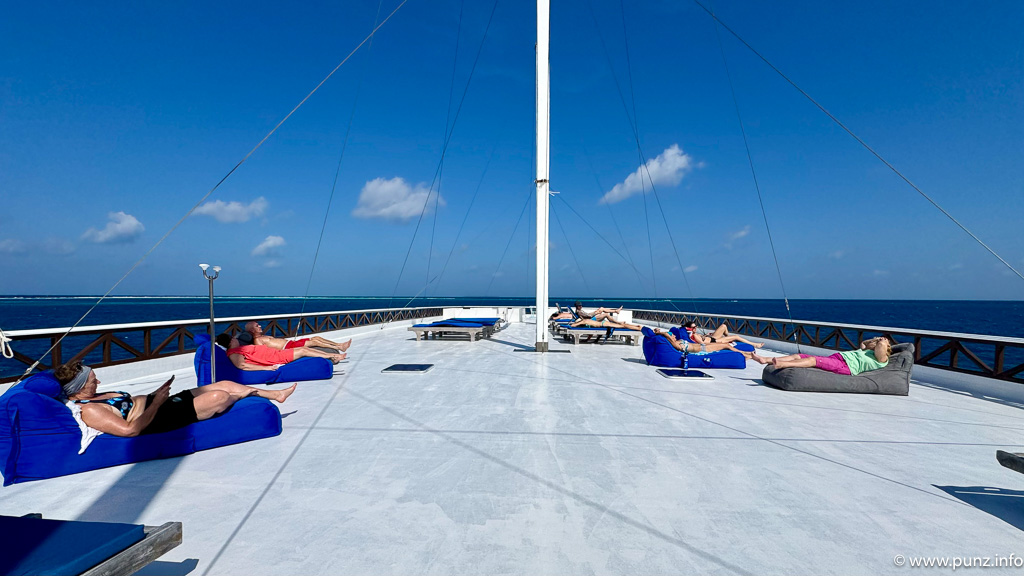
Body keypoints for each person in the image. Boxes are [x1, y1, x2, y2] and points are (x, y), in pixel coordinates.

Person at [54, 361, 295, 442]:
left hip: (161, 404)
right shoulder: (90, 409)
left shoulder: (96, 396)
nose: (98, 382)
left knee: (225, 383)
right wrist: (156, 402)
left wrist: (156, 396)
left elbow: (133, 404)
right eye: (93, 381)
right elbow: (130, 430)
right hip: (160, 418)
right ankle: (241, 398)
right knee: (219, 397)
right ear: (78, 388)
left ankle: (276, 395)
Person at [750, 336, 892, 375]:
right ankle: (765, 360)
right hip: (838, 358)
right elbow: (863, 343)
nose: (881, 340)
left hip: (847, 367)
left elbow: (881, 346)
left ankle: (782, 364)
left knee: (813, 360)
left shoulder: (882, 359)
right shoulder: (868, 351)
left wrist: (883, 341)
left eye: (885, 341)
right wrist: (874, 340)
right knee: (798, 355)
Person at [216, 334, 345, 371]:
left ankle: (333, 356)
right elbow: (242, 365)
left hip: (276, 353)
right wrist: (266, 368)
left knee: (305, 349)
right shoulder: (233, 352)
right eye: (233, 338)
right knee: (304, 350)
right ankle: (333, 356)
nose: (236, 339)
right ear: (231, 341)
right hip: (276, 358)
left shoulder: (237, 349)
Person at [244, 321, 352, 353]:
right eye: (257, 326)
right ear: (252, 330)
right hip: (288, 347)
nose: (260, 326)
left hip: (290, 343)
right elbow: (264, 352)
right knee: (314, 342)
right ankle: (338, 348)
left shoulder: (263, 336)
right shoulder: (257, 340)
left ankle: (339, 345)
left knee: (317, 337)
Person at [653, 328, 756, 357]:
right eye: (672, 335)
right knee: (726, 346)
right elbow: (667, 335)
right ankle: (745, 353)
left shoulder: (678, 341)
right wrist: (660, 333)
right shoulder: (676, 344)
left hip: (703, 345)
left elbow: (668, 335)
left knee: (727, 345)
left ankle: (746, 354)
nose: (675, 336)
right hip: (703, 349)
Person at [681, 320, 764, 348]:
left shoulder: (695, 334)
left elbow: (702, 339)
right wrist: (719, 344)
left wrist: (706, 336)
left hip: (711, 337)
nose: (695, 328)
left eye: (696, 326)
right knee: (736, 336)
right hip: (715, 341)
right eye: (694, 327)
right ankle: (755, 345)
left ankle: (729, 338)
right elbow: (703, 344)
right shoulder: (695, 335)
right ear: (690, 329)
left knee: (724, 326)